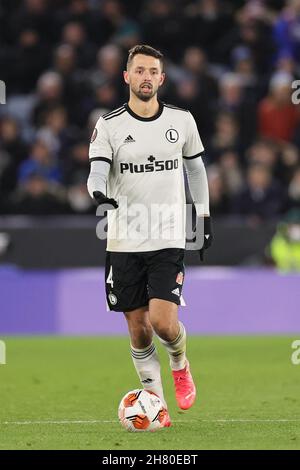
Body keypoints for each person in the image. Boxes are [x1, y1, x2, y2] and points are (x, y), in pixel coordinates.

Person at [87, 44, 212, 427]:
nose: (145, 77)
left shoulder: (182, 121)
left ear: (161, 78)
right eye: (138, 70)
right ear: (126, 77)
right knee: (138, 327)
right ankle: (155, 403)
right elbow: (96, 170)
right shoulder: (109, 125)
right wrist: (98, 193)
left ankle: (179, 362)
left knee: (162, 322)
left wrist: (203, 215)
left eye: (151, 71)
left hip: (168, 235)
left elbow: (195, 170)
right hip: (124, 238)